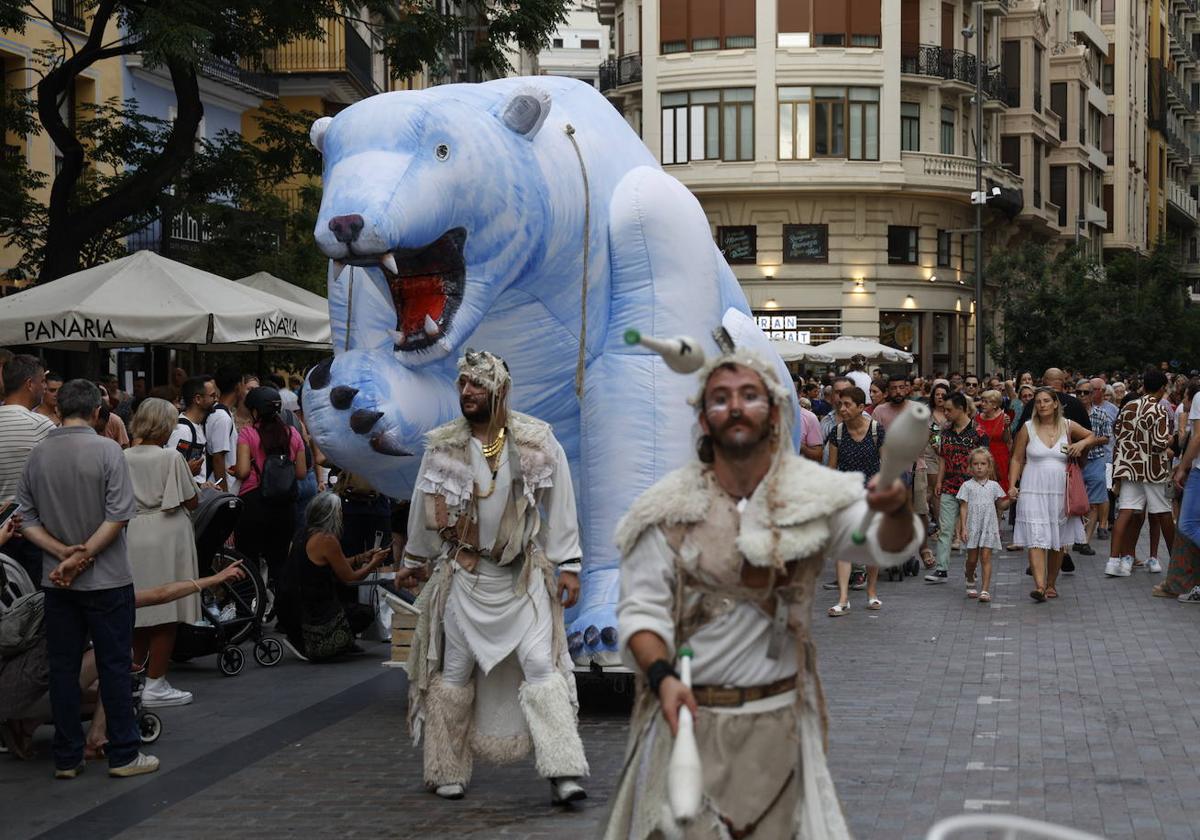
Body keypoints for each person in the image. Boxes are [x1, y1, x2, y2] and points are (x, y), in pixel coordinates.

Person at [601, 347, 919, 839]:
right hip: (688, 723)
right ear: (704, 420)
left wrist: (895, 510)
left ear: (774, 413)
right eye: (720, 397)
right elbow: (641, 615)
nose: (734, 406)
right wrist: (663, 678)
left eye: (749, 395)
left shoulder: (813, 494)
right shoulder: (665, 509)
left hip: (780, 727)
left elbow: (879, 545)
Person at [403, 349, 588, 804]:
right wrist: (413, 558)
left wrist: (570, 564)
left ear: (499, 389)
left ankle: (563, 772)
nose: (466, 391)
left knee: (542, 667)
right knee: (454, 672)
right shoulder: (444, 445)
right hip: (465, 579)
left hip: (522, 580)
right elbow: (420, 506)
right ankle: (446, 768)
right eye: (462, 383)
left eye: (477, 384)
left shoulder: (536, 441)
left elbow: (560, 502)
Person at [13, 379, 159, 778]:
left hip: (57, 581)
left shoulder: (38, 455)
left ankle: (67, 757)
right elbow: (118, 516)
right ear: (98, 413)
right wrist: (83, 555)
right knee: (114, 665)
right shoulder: (109, 450)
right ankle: (124, 754)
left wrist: (62, 555)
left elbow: (25, 518)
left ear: (58, 411)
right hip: (107, 579)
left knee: (63, 668)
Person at [0, 541, 245, 762]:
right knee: (118, 659)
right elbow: (161, 595)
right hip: (33, 691)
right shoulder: (98, 595)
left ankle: (26, 724)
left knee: (108, 687)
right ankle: (95, 739)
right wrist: (214, 579)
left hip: (13, 687)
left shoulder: (53, 595)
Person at [124, 398, 201, 708]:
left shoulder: (122, 455)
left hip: (134, 531)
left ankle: (135, 676)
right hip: (168, 532)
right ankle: (156, 682)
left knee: (139, 611)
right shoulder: (171, 457)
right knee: (167, 611)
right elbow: (191, 501)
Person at [276, 492, 413, 661]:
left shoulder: (303, 533)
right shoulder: (326, 539)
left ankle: (330, 640)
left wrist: (362, 558)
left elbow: (334, 563)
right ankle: (326, 643)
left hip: (292, 607)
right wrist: (374, 563)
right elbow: (350, 579)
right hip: (311, 611)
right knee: (365, 613)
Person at [1009, 388, 1094, 601]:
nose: (1042, 405)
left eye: (1047, 401)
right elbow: (1017, 458)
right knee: (1036, 536)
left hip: (1060, 490)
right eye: (1038, 402)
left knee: (1058, 539)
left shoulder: (1067, 425)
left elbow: (1092, 436)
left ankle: (1050, 584)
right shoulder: (1027, 428)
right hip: (1032, 488)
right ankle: (1039, 586)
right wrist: (1012, 485)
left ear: (1056, 404)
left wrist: (1080, 444)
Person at [232, 387, 306, 596]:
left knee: (248, 561)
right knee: (280, 561)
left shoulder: (248, 434)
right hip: (285, 505)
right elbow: (300, 472)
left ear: (255, 412)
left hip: (253, 504)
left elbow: (243, 471)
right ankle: (285, 618)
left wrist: (237, 470)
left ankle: (251, 616)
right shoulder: (293, 434)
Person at [1107, 369, 1175, 578]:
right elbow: (1159, 442)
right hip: (1153, 468)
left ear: (1144, 386)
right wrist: (1172, 439)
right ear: (1163, 388)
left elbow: (1117, 432)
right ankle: (1176, 562)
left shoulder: (1128, 406)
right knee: (1163, 513)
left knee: (1126, 510)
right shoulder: (1159, 410)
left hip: (1130, 465)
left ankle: (1113, 561)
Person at [826, 386, 886, 616]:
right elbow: (831, 469)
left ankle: (872, 592)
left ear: (862, 407)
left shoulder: (876, 431)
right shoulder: (837, 433)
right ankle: (843, 599)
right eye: (841, 404)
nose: (843, 408)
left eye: (848, 404)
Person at [0, 355, 55, 583]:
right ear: (29, 384)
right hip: (31, 532)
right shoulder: (41, 426)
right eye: (42, 381)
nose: (44, 387)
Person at [928, 392, 987, 584]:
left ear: (961, 409)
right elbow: (943, 458)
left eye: (949, 410)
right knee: (945, 527)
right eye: (944, 409)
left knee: (970, 528)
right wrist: (939, 482)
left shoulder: (978, 432)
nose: (945, 413)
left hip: (972, 486)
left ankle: (971, 569)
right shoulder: (945, 431)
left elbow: (985, 461)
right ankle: (941, 568)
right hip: (950, 484)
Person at [955, 448, 1009, 603]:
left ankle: (985, 589)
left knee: (985, 557)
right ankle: (970, 576)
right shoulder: (967, 486)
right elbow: (963, 507)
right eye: (976, 464)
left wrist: (1011, 498)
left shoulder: (994, 486)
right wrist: (963, 528)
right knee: (972, 559)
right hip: (972, 526)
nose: (979, 467)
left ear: (989, 466)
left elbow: (1001, 505)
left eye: (983, 464)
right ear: (970, 467)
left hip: (988, 526)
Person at [1075, 378, 1113, 557]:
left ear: (1092, 395)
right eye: (1079, 392)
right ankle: (1073, 537)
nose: (1082, 395)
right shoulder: (1069, 414)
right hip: (1073, 462)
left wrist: (1087, 442)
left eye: (1086, 392)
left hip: (1095, 459)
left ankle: (1085, 541)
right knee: (1072, 501)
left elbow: (1106, 437)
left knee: (1094, 502)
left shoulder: (1101, 414)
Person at [166, 375, 217, 485]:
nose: (216, 399)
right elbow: (171, 470)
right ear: (198, 399)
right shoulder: (182, 430)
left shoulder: (198, 425)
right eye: (212, 395)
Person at [205, 366, 241, 495]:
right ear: (238, 386)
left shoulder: (221, 412)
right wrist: (224, 495)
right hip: (224, 488)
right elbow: (218, 458)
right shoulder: (222, 417)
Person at [974, 389, 1012, 492]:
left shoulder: (1004, 418)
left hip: (999, 456)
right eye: (982, 401)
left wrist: (1007, 426)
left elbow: (1007, 440)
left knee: (999, 486)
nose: (982, 404)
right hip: (981, 457)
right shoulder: (977, 418)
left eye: (986, 402)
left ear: (995, 405)